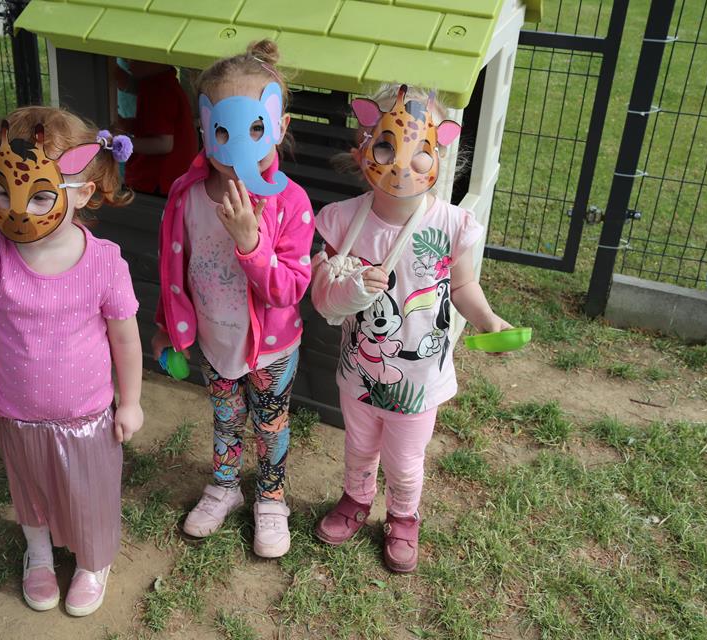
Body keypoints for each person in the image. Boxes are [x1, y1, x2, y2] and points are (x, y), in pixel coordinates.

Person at [310, 85, 510, 573]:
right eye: (386, 145)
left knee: (404, 460)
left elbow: (463, 285)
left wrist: (487, 319)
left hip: (420, 382)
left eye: (421, 148)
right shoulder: (342, 221)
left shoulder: (450, 224)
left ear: (440, 151)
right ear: (362, 149)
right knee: (359, 447)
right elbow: (321, 292)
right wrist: (349, 286)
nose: (402, 163)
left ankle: (403, 516)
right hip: (359, 373)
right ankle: (356, 499)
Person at [0, 106, 142, 616]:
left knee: (89, 494)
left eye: (39, 195)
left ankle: (93, 562)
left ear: (82, 192)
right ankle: (37, 553)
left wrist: (131, 402)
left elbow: (125, 339)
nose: (18, 209)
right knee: (31, 490)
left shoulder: (104, 262)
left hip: (88, 419)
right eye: (3, 192)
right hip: (18, 415)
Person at [151, 40, 314, 558]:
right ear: (205, 127)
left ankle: (271, 496)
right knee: (225, 418)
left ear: (280, 126)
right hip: (214, 341)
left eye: (254, 129)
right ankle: (225, 485)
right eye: (221, 131)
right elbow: (172, 270)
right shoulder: (186, 195)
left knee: (269, 424)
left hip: (271, 349)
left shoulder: (291, 202)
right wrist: (166, 325)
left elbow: (291, 288)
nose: (235, 143)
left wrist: (250, 242)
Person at [124, 61, 198, 196]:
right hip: (172, 178)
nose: (128, 62)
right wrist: (124, 124)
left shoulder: (159, 90)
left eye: (134, 58)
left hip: (159, 180)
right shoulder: (165, 83)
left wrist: (121, 143)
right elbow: (151, 126)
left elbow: (164, 144)